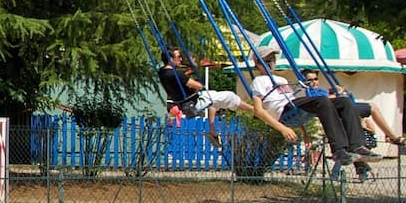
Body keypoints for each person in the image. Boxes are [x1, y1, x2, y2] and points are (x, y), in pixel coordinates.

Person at [248, 48, 375, 167]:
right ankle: (338, 150)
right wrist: (282, 128)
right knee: (322, 100)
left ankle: (357, 145)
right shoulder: (258, 81)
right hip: (282, 111)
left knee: (344, 101)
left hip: (293, 107)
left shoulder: (282, 79)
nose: (272, 63)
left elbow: (295, 106)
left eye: (273, 59)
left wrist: (305, 133)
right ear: (258, 63)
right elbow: (258, 110)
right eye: (267, 60)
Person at [154, 49, 299, 144]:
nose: (180, 59)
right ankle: (257, 111)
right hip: (194, 102)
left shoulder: (162, 72)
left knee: (215, 102)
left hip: (187, 103)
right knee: (230, 97)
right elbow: (196, 86)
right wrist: (197, 82)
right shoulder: (175, 73)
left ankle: (212, 131)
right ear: (171, 59)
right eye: (178, 56)